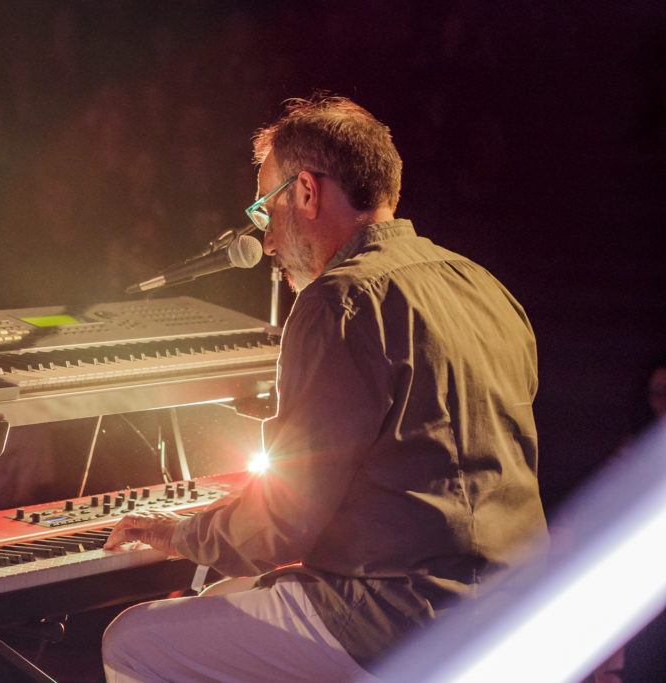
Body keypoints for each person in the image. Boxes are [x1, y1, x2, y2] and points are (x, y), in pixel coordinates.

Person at [101, 94, 549, 681]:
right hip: (520, 605)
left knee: (136, 641)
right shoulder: (484, 286)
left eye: (265, 210)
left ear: (307, 192)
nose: (264, 243)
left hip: (406, 615)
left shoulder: (339, 301)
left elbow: (281, 524)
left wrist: (179, 531)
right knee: (225, 603)